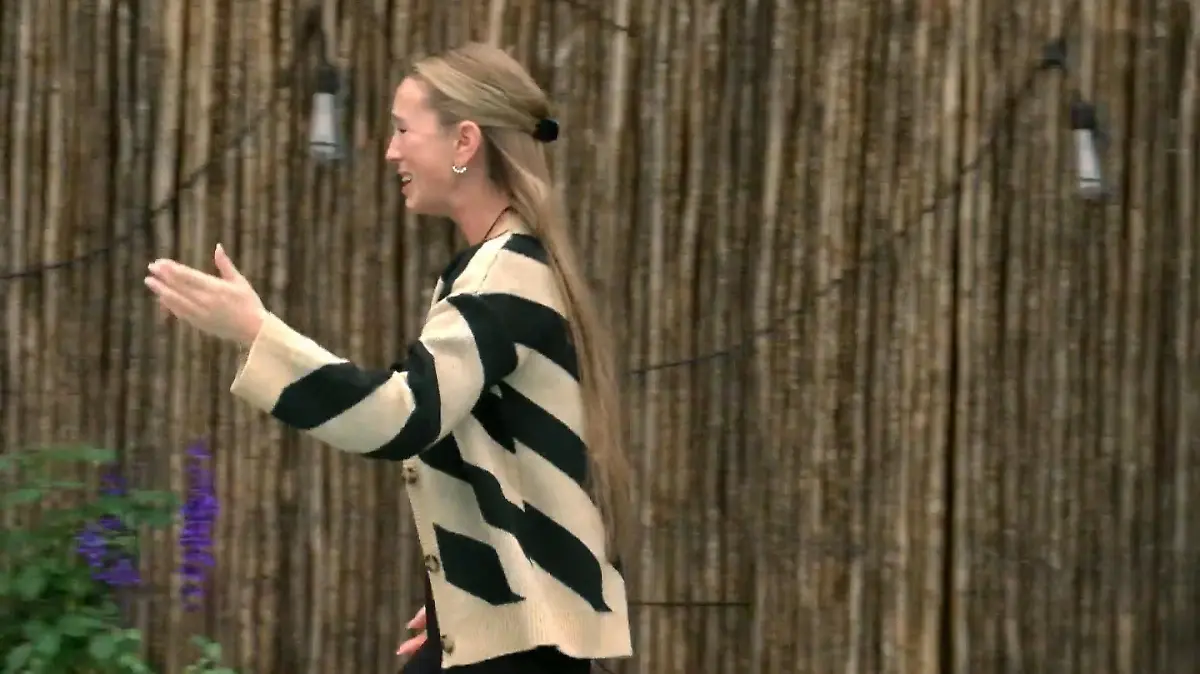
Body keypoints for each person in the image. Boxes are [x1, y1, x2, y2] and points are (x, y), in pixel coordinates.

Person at [144, 42, 634, 673]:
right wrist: (474, 596)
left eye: (404, 130)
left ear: (464, 142)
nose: (390, 151)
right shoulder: (503, 266)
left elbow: (403, 415)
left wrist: (255, 331)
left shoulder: (502, 277)